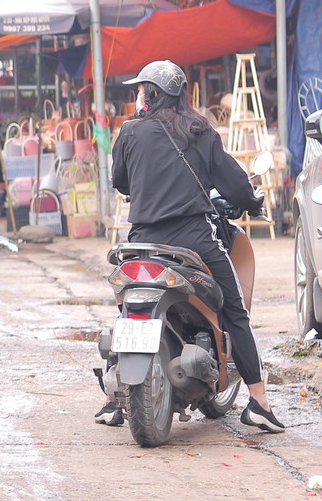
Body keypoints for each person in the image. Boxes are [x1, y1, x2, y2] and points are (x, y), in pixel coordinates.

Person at [108, 60, 282, 433]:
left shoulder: (130, 132)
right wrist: (253, 201)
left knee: (128, 305)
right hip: (193, 239)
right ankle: (259, 402)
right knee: (235, 310)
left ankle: (111, 401)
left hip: (142, 242)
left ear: (153, 95)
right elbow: (234, 182)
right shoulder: (200, 131)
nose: (138, 97)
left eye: (141, 91)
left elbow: (119, 181)